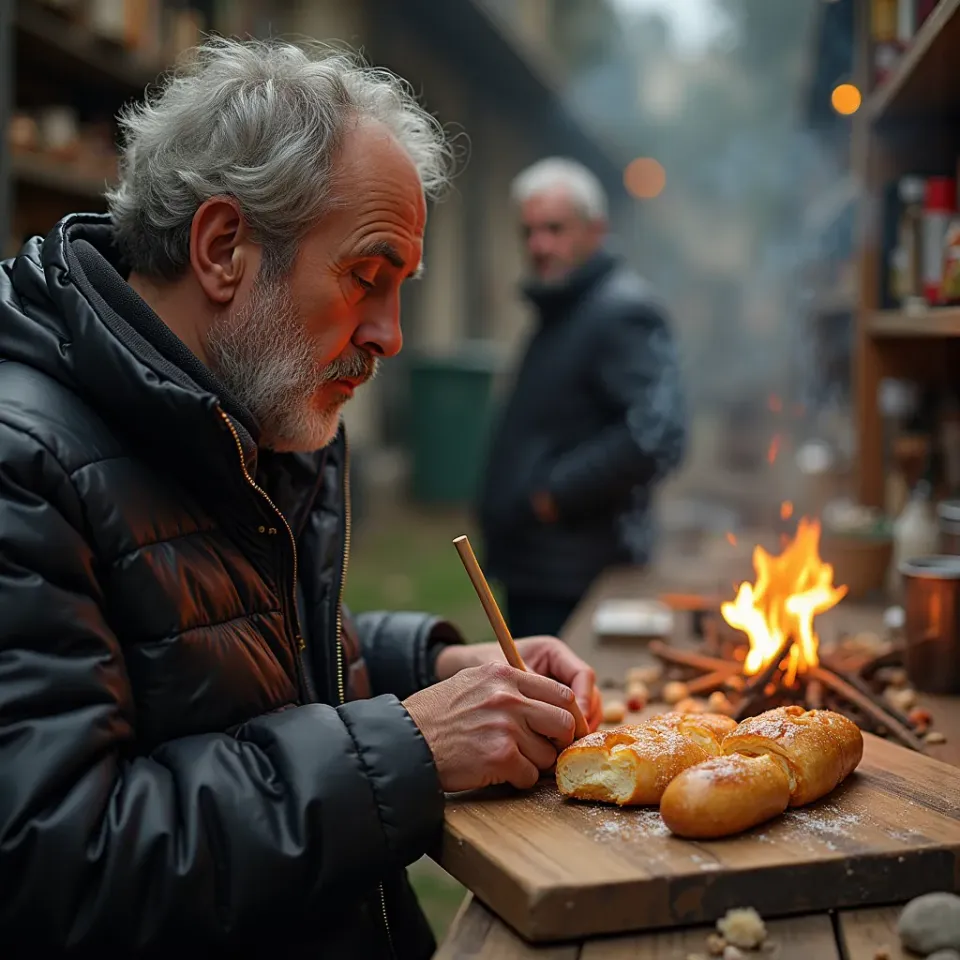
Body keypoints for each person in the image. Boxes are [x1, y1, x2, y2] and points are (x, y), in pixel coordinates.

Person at [0, 41, 603, 959]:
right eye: (368, 277)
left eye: (403, 290)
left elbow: (238, 650)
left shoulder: (250, 409)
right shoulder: (22, 463)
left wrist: (433, 668)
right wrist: (408, 747)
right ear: (222, 250)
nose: (391, 336)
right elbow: (57, 864)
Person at [479, 158, 687, 639]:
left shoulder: (621, 310)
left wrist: (555, 495)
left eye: (554, 228)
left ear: (596, 230)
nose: (538, 245)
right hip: (539, 568)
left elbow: (656, 434)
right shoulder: (564, 307)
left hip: (578, 573)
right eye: (528, 231)